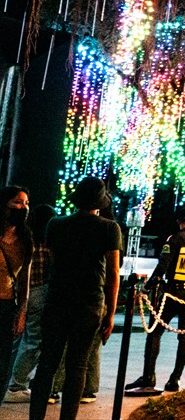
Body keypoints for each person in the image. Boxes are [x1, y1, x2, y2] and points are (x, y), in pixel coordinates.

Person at [29, 177, 121, 420]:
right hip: (89, 303)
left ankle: (35, 417)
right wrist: (110, 313)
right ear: (100, 202)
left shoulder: (55, 224)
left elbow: (53, 259)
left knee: (47, 363)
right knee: (77, 365)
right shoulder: (110, 228)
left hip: (57, 299)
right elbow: (113, 273)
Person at [126, 205, 185, 393]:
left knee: (155, 332)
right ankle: (175, 379)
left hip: (173, 293)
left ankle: (149, 376)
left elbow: (162, 267)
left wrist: (147, 287)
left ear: (179, 221)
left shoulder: (175, 240)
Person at [6, 204, 56, 403]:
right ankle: (17, 385)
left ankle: (8, 380)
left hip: (21, 293)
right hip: (39, 292)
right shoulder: (46, 244)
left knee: (18, 339)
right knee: (34, 341)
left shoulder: (25, 240)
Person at [0, 186, 31, 401]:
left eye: (26, 203)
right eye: (18, 202)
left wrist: (22, 312)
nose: (23, 207)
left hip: (6, 306)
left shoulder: (25, 240)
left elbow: (24, 281)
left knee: (2, 365)